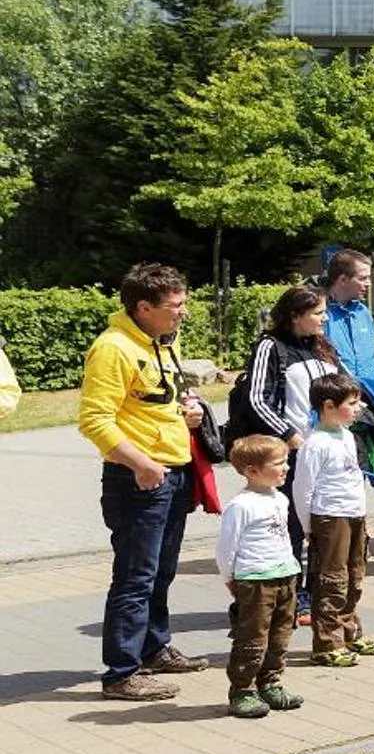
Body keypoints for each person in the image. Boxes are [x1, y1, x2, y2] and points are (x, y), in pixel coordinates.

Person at [79, 262, 212, 702]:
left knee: (161, 572)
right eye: (175, 306)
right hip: (138, 479)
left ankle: (154, 648)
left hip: (172, 473)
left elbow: (155, 401)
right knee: (135, 577)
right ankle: (121, 672)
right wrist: (141, 463)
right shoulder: (113, 348)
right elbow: (94, 420)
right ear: (143, 307)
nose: (183, 313)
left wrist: (188, 413)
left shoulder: (159, 342)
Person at [232, 286, 343, 604]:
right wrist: (288, 435)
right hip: (291, 455)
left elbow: (342, 389)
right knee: (291, 525)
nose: (325, 318)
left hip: (326, 454)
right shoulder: (272, 346)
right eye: (318, 313)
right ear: (295, 316)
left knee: (323, 525)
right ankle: (291, 598)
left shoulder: (323, 347)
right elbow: (256, 398)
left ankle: (318, 590)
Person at [216, 434, 307, 719]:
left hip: (285, 574)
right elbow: (226, 546)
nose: (286, 468)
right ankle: (242, 689)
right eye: (278, 463)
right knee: (252, 637)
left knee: (281, 635)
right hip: (255, 579)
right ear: (252, 471)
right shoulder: (241, 506)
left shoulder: (280, 498)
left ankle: (270, 682)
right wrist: (230, 577)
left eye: (285, 462)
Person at [293, 373, 374, 667]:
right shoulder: (314, 444)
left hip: (354, 514)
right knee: (332, 580)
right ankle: (327, 641)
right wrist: (308, 527)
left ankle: (349, 631)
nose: (359, 407)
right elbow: (302, 489)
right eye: (352, 403)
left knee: (354, 575)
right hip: (330, 517)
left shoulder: (347, 436)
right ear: (329, 406)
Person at [319, 248, 374, 424]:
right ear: (343, 280)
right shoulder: (321, 314)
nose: (369, 284)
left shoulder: (363, 312)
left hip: (368, 404)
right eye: (363, 278)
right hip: (335, 406)